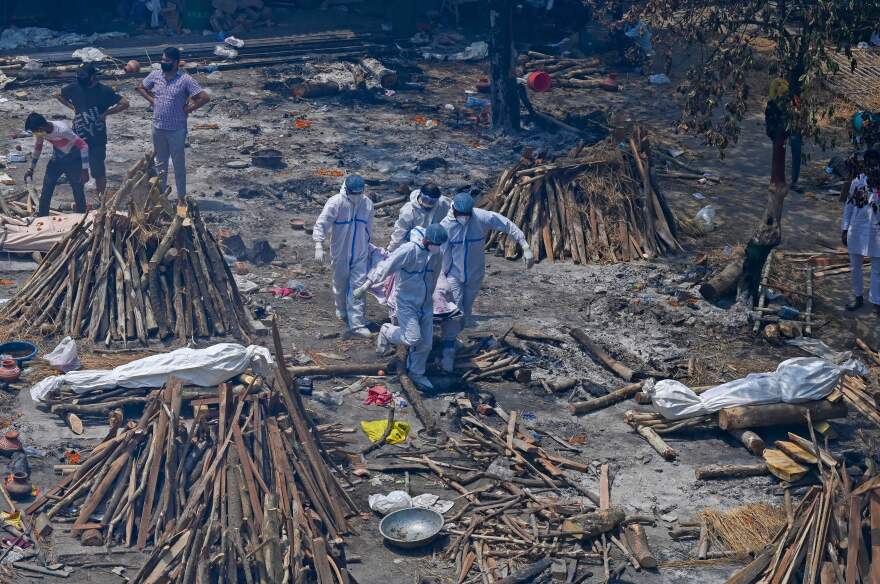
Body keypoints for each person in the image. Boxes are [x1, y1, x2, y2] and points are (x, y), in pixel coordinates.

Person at [439, 193, 533, 371]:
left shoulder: (481, 217)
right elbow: (443, 255)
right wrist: (441, 278)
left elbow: (506, 224)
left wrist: (525, 245)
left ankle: (451, 339)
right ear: (454, 210)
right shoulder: (446, 226)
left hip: (475, 274)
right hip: (454, 274)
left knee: (465, 314)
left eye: (467, 214)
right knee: (454, 310)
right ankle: (447, 351)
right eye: (461, 214)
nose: (464, 218)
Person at [355, 224, 449, 390]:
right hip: (407, 302)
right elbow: (386, 266)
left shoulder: (437, 254)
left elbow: (434, 277)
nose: (437, 247)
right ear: (427, 239)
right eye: (435, 243)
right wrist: (366, 285)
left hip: (425, 303)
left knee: (426, 343)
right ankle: (386, 330)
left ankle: (416, 374)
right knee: (412, 338)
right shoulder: (409, 250)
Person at [136, 47, 210, 201]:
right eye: (162, 60)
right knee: (160, 164)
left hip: (176, 130)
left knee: (178, 165)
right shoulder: (156, 75)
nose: (164, 63)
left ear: (176, 62)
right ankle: (162, 197)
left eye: (167, 61)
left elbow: (204, 97)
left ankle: (181, 197)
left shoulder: (185, 80)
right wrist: (152, 101)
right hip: (158, 127)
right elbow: (141, 87)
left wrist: (189, 108)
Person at [313, 175, 374, 338]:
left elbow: (369, 228)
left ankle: (357, 324)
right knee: (340, 282)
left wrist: (368, 246)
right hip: (340, 251)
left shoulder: (367, 204)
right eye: (353, 194)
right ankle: (341, 308)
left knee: (358, 286)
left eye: (359, 193)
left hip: (360, 251)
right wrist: (319, 244)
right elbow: (322, 223)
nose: (356, 197)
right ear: (347, 190)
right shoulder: (336, 202)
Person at [57, 63, 129, 200]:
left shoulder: (104, 91)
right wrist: (73, 107)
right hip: (78, 137)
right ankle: (80, 201)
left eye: (83, 76)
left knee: (98, 172)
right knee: (78, 170)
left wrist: (106, 113)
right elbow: (59, 95)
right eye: (78, 75)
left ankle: (101, 200)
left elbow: (125, 103)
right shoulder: (74, 87)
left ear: (92, 76)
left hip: (97, 139)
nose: (80, 78)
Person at [23, 113, 89, 217]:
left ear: (41, 127)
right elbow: (38, 147)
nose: (36, 134)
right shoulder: (40, 131)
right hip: (57, 159)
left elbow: (83, 146)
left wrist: (85, 170)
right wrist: (31, 168)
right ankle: (42, 217)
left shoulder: (62, 130)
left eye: (35, 131)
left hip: (74, 160)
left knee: (78, 190)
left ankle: (81, 218)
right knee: (46, 189)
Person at [842, 150, 880, 314]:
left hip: (876, 232)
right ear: (864, 163)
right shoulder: (857, 182)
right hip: (856, 230)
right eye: (869, 162)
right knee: (855, 266)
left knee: (877, 269)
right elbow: (848, 207)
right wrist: (844, 228)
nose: (872, 165)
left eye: (875, 162)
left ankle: (876, 301)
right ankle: (858, 297)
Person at [387, 182, 451, 253]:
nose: (428, 204)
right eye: (425, 199)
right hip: (414, 245)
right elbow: (400, 233)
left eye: (432, 201)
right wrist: (392, 251)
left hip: (435, 243)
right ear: (420, 194)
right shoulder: (408, 211)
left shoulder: (443, 204)